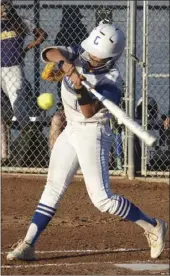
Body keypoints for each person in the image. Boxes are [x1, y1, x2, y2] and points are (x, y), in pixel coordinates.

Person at [6, 21, 167, 262]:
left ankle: (153, 225)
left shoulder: (111, 81)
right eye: (90, 52)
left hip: (93, 133)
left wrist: (81, 88)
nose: (90, 57)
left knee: (103, 199)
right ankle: (29, 243)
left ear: (110, 58)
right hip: (71, 128)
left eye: (96, 56)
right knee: (52, 187)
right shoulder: (80, 52)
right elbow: (48, 52)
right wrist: (65, 64)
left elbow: (89, 111)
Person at [1, 0, 48, 164]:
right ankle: (4, 155)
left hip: (13, 68)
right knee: (1, 113)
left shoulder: (21, 22)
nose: (3, 8)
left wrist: (28, 48)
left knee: (18, 106)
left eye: (6, 5)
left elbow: (42, 34)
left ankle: (30, 149)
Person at [48, 6, 88, 151]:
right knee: (59, 118)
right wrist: (63, 65)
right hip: (68, 79)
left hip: (80, 82)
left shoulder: (76, 33)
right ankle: (54, 157)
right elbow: (52, 53)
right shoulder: (76, 32)